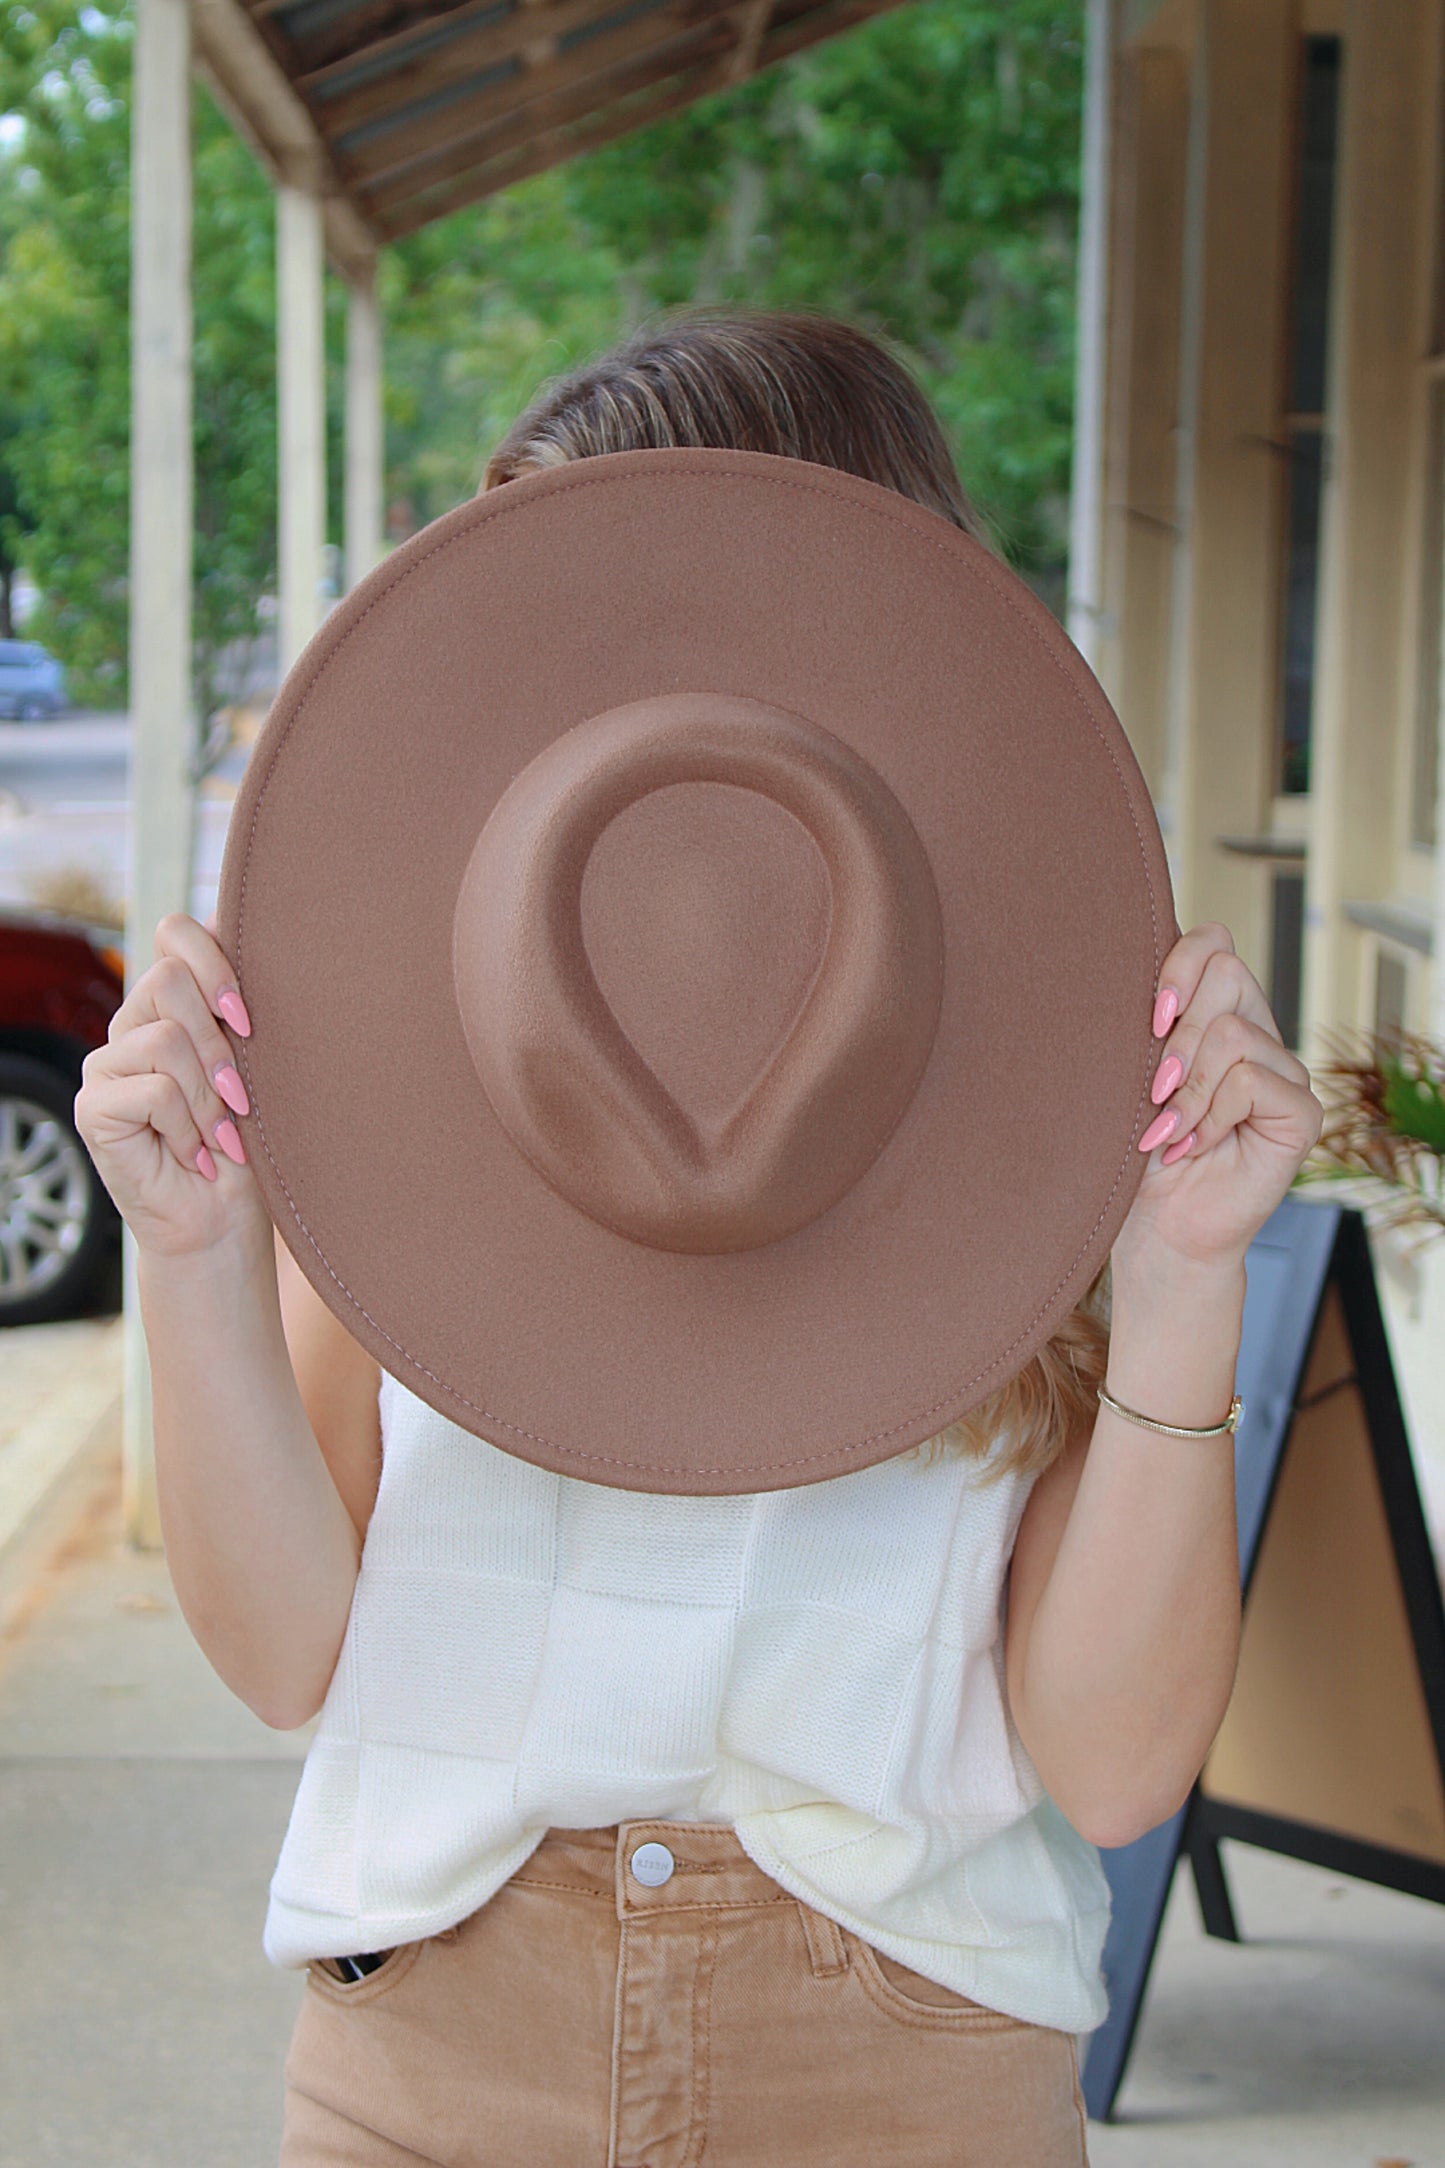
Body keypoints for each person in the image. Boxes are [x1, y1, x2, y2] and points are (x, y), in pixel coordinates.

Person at [75, 310, 1324, 2167]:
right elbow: (284, 1659)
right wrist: (193, 1259)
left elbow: (1119, 1768)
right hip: (432, 2045)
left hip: (906, 2059)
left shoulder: (1041, 1096)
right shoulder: (417, 1086)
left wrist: (1180, 1275)